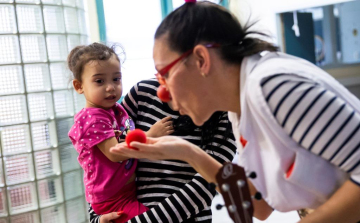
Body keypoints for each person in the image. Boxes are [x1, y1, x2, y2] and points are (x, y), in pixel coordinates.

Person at [110, 1, 360, 223]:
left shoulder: (272, 85)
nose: (161, 92)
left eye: (165, 74)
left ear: (201, 59)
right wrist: (188, 153)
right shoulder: (239, 110)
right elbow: (259, 207)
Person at [88, 78, 237, 223]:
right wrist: (97, 217)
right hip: (129, 212)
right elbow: (101, 157)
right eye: (160, 71)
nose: (163, 83)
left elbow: (205, 187)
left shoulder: (225, 113)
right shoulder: (142, 94)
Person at [67, 43, 174, 222]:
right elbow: (114, 153)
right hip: (112, 199)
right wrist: (149, 136)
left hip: (125, 191)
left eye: (116, 79)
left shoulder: (114, 110)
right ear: (79, 86)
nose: (110, 87)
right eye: (99, 81)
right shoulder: (91, 118)